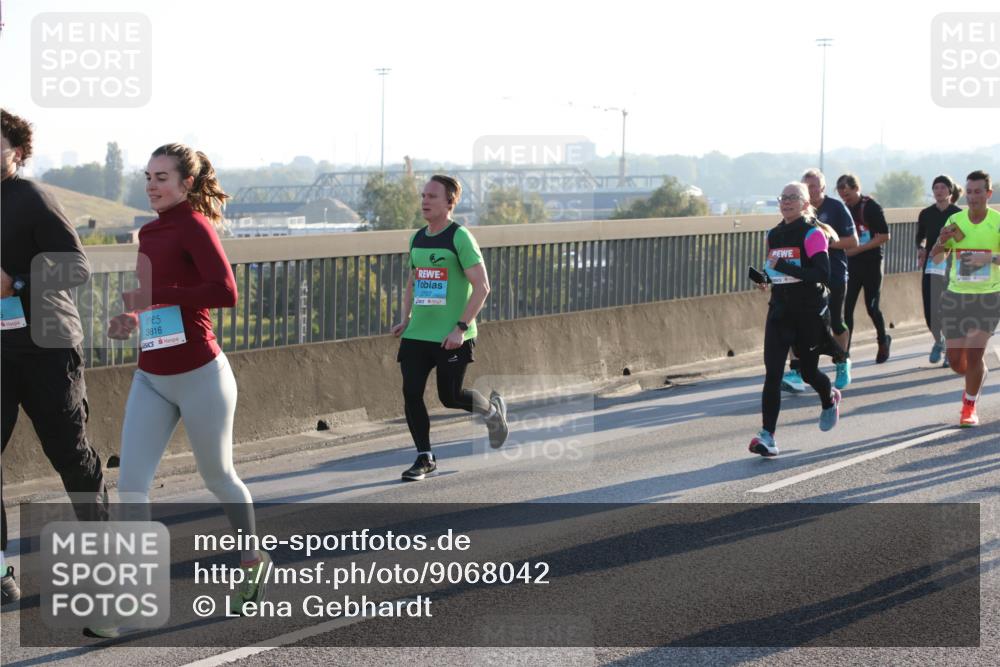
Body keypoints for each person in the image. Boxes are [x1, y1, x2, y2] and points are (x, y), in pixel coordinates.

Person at [104, 144, 266, 631]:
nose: (152, 185)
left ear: (187, 184)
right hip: (151, 376)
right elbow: (153, 298)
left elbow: (226, 292)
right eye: (148, 177)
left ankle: (253, 560)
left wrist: (160, 295)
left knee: (218, 477)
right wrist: (131, 317)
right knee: (131, 486)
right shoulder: (149, 232)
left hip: (201, 376)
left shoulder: (195, 226)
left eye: (162, 177)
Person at [1, 109, 109, 605]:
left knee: (70, 455)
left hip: (47, 348)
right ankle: (2, 572)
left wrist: (17, 282)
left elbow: (77, 269)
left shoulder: (35, 199)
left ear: (17, 152)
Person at [391, 175, 508, 480]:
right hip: (418, 333)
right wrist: (405, 318)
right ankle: (424, 456)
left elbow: (482, 287)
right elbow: (413, 282)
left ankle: (493, 413)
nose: (425, 201)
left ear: (449, 202)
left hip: (452, 335)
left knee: (450, 396)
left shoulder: (460, 237)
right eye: (423, 196)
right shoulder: (417, 238)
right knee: (411, 392)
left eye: (432, 196)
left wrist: (459, 327)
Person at [750, 182, 842, 457]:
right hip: (780, 312)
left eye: (793, 198)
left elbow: (822, 274)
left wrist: (785, 267)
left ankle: (829, 398)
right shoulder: (774, 234)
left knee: (808, 372)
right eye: (783, 197)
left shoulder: (813, 234)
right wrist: (763, 279)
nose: (786, 202)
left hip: (809, 314)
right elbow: (776, 273)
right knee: (773, 374)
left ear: (805, 203)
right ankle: (768, 436)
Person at [929, 170, 999, 427]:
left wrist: (988, 259)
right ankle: (976, 374)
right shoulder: (955, 221)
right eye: (969, 192)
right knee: (959, 362)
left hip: (989, 296)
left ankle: (969, 406)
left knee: (975, 351)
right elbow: (937, 259)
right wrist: (940, 242)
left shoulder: (997, 222)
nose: (972, 197)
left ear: (988, 194)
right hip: (956, 295)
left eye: (978, 191)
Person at [782, 169, 858, 393]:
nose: (811, 190)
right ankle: (795, 371)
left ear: (823, 188)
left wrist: (822, 242)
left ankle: (842, 361)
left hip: (833, 274)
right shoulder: (797, 210)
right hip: (805, 279)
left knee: (835, 322)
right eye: (807, 186)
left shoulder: (836, 208)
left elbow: (852, 241)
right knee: (794, 323)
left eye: (815, 186)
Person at [837, 173, 893, 363]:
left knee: (872, 307)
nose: (846, 199)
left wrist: (858, 249)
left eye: (848, 194)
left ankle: (883, 339)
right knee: (847, 309)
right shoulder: (843, 210)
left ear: (856, 188)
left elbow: (884, 235)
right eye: (842, 196)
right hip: (851, 265)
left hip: (871, 262)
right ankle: (845, 352)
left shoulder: (871, 207)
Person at [917, 175, 963, 365]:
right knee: (930, 310)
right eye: (935, 187)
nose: (939, 191)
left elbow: (962, 240)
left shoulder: (958, 214)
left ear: (950, 191)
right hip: (931, 265)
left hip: (951, 266)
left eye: (943, 187)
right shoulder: (926, 213)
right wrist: (920, 249)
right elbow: (920, 237)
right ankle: (939, 341)